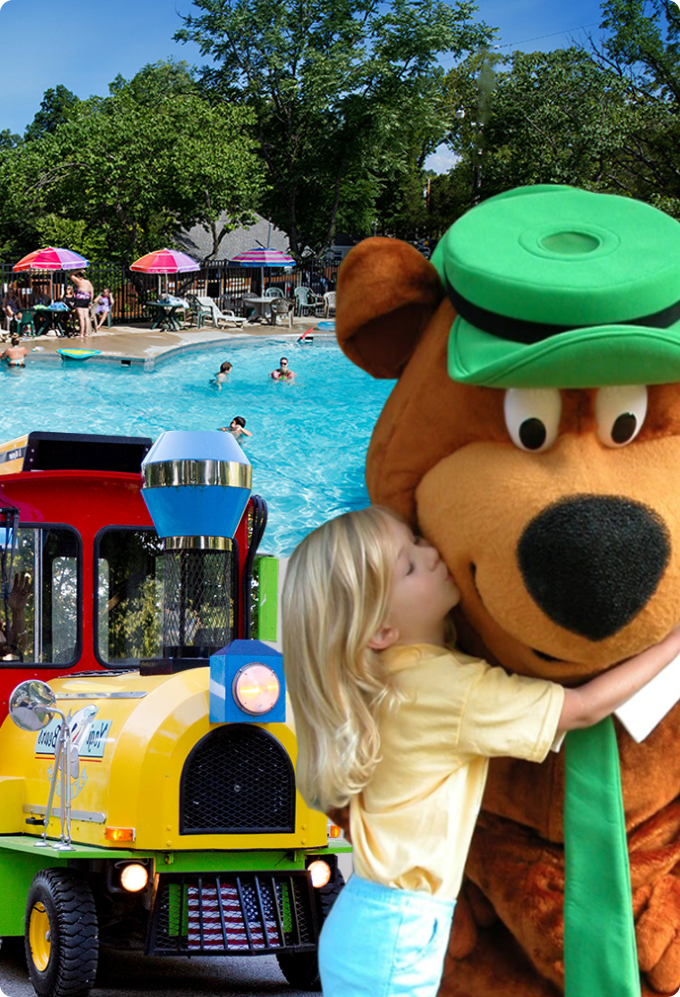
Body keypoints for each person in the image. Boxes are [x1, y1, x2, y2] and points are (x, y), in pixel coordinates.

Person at [281, 506, 680, 997]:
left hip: (370, 919)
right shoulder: (446, 687)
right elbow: (581, 710)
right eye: (408, 565)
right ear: (381, 630)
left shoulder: (390, 682)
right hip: (398, 935)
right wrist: (673, 643)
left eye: (417, 540)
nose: (431, 554)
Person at [69, 270, 94, 339]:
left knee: (81, 317)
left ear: (78, 275)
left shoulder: (78, 281)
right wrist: (90, 301)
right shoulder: (88, 282)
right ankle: (86, 333)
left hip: (80, 299)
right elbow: (91, 291)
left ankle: (81, 334)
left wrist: (78, 270)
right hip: (87, 299)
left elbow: (70, 274)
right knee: (86, 316)